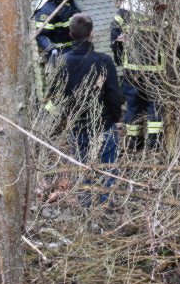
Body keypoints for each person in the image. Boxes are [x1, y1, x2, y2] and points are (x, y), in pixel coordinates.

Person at [47, 14, 124, 204]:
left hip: (77, 127)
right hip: (104, 127)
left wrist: (66, 119)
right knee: (106, 171)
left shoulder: (62, 62)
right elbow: (114, 95)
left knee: (82, 172)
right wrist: (114, 119)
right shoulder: (103, 61)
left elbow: (54, 98)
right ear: (92, 34)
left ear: (71, 35)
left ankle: (85, 213)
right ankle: (106, 213)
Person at [110, 0, 166, 150]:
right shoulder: (159, 9)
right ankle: (154, 147)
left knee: (133, 108)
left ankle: (133, 145)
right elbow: (170, 38)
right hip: (155, 71)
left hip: (133, 71)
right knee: (155, 109)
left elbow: (114, 35)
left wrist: (119, 55)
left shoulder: (126, 11)